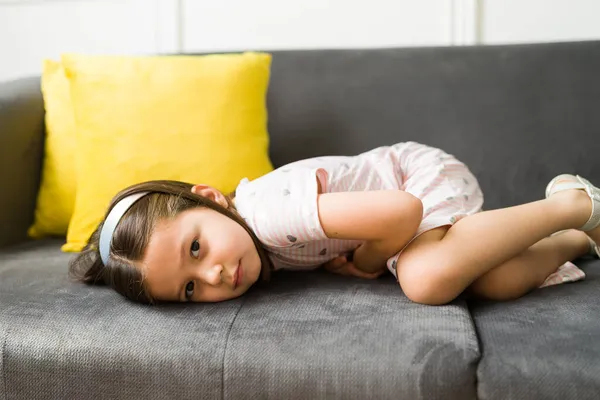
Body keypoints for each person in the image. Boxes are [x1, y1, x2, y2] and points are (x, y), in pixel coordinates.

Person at [69, 141, 600, 305]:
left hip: (416, 181)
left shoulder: (270, 216)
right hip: (397, 219)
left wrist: (365, 264)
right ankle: (575, 238)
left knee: (425, 279)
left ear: (211, 199)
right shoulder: (247, 239)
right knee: (496, 282)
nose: (213, 276)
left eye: (195, 249)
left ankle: (575, 202)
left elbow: (402, 212)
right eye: (188, 290)